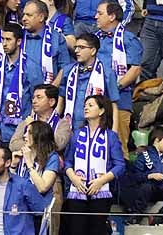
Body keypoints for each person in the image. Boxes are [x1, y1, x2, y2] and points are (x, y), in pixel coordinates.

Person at [63, 95, 125, 235]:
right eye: (85, 105)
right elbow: (67, 161)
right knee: (75, 230)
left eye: (91, 105)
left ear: (101, 110)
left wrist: (101, 181)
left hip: (101, 192)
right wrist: (73, 177)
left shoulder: (110, 136)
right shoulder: (77, 134)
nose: (86, 107)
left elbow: (120, 165)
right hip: (76, 191)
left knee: (97, 231)